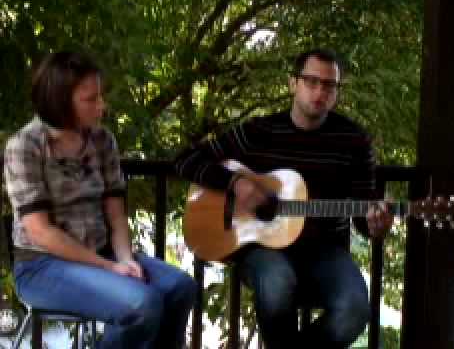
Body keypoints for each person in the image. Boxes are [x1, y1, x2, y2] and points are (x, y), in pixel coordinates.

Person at [174, 48, 393, 348]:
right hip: (262, 249)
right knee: (277, 283)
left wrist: (376, 226)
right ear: (293, 83)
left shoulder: (353, 141)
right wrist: (236, 184)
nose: (319, 91)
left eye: (329, 85)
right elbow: (185, 160)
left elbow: (363, 214)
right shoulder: (259, 132)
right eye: (311, 81)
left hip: (325, 252)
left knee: (355, 309)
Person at [3, 51, 197, 349]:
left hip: (103, 253)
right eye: (90, 99)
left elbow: (116, 216)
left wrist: (124, 258)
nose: (102, 106)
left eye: (100, 96)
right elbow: (41, 232)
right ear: (60, 99)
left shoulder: (102, 140)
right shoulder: (25, 146)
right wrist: (108, 268)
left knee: (180, 288)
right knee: (142, 305)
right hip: (42, 266)